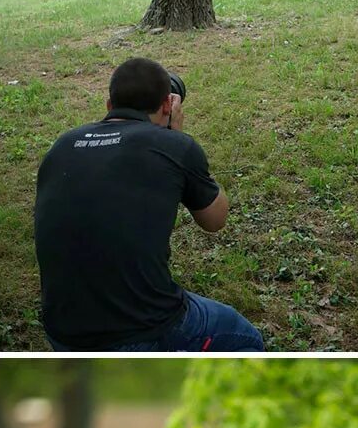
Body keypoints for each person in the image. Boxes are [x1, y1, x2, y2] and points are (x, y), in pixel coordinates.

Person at [34, 57, 264, 352]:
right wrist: (177, 140)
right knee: (245, 339)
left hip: (62, 332)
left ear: (108, 105)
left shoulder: (62, 145)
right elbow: (215, 220)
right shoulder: (174, 146)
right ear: (168, 106)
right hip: (139, 331)